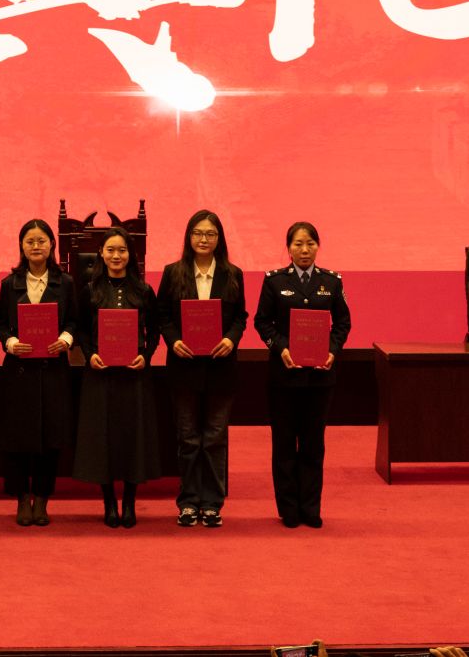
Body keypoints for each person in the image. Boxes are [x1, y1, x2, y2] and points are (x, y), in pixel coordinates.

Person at [253, 220, 352, 528]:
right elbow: (262, 322)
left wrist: (332, 350)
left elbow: (343, 323)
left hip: (320, 378)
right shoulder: (274, 281)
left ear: (317, 246)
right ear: (289, 248)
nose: (304, 250)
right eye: (298, 244)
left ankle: (310, 507)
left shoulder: (331, 282)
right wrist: (281, 347)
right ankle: (288, 509)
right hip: (284, 377)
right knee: (284, 443)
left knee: (313, 444)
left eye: (310, 243)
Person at [156, 208, 248, 527]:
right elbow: (162, 314)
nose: (203, 239)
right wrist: (173, 341)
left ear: (219, 238)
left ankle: (212, 503)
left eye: (210, 234)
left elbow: (241, 316)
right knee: (188, 438)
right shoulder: (173, 273)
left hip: (221, 369)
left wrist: (231, 339)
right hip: (184, 368)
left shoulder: (233, 274)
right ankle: (188, 502)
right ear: (189, 237)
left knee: (215, 438)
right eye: (198, 233)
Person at [74, 225, 161, 529]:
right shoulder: (90, 291)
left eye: (122, 250)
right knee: (104, 440)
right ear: (101, 253)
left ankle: (130, 501)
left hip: (134, 376)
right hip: (100, 375)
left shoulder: (144, 291)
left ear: (130, 255)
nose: (116, 256)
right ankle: (109, 501)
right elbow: (82, 330)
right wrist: (89, 355)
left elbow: (155, 331)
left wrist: (146, 356)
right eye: (110, 250)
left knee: (132, 438)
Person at [0, 217, 77, 527]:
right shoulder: (9, 284)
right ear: (22, 246)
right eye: (30, 241)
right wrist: (10, 343)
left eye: (41, 241)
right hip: (18, 372)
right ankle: (21, 497)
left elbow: (74, 321)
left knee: (49, 439)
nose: (36, 246)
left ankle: (41, 498)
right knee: (17, 439)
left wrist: (66, 339)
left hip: (53, 370)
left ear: (52, 245)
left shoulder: (65, 283)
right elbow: (0, 323)